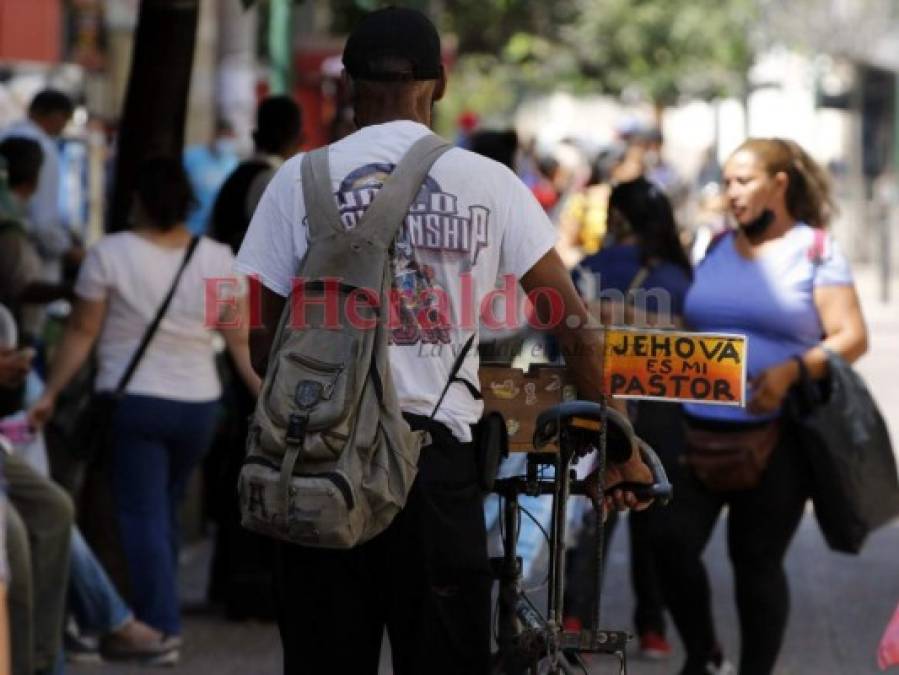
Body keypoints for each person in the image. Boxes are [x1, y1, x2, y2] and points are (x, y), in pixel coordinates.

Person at [235, 8, 653, 674]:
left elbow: (262, 341)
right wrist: (621, 444)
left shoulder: (296, 180)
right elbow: (573, 330)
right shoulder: (490, 185)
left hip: (317, 465)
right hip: (433, 475)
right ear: (439, 83)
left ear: (346, 83)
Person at [28, 157, 260, 662]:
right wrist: (256, 386)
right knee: (166, 509)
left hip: (136, 405)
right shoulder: (220, 258)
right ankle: (149, 612)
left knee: (142, 514)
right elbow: (238, 338)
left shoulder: (109, 254)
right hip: (200, 407)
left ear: (138, 201)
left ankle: (158, 628)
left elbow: (82, 332)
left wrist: (48, 393)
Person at [652, 138, 868, 675]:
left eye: (744, 181)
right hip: (696, 429)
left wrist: (791, 371)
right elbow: (692, 327)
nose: (732, 193)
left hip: (778, 439)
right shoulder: (715, 247)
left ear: (780, 183)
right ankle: (703, 656)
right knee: (669, 543)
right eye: (727, 182)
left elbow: (851, 336)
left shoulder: (816, 250)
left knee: (755, 564)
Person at [567, 177, 692, 660]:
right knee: (653, 517)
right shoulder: (681, 276)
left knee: (592, 511)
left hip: (596, 409)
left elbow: (558, 333)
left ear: (615, 219)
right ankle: (653, 628)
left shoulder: (589, 269)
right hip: (663, 412)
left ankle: (575, 615)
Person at [204, 94, 302, 619]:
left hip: (232, 325)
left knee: (238, 461)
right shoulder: (275, 182)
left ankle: (232, 582)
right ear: (293, 133)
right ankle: (252, 586)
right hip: (254, 331)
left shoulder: (235, 179)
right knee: (259, 458)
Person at [0, 90, 81, 286]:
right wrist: (67, 250)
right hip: (28, 252)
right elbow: (43, 220)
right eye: (65, 120)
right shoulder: (43, 147)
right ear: (56, 116)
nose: (63, 127)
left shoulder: (6, 134)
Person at [183, 119, 240, 235]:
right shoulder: (191, 157)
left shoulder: (233, 164)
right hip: (190, 226)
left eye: (229, 137)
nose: (226, 141)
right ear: (215, 134)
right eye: (224, 135)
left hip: (216, 230)